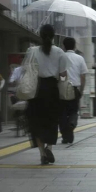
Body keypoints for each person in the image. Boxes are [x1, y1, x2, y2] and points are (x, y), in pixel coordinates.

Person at [25, 24, 68, 164]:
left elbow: (28, 70)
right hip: (52, 90)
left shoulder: (32, 51)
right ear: (54, 36)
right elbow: (63, 75)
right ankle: (49, 147)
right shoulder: (60, 52)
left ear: (40, 35)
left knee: (36, 122)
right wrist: (61, 79)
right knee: (51, 120)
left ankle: (42, 153)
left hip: (37, 90)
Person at [60, 37, 88, 144]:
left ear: (63, 46)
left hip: (62, 89)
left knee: (62, 113)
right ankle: (72, 123)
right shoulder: (80, 58)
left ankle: (65, 136)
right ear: (75, 46)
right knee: (73, 111)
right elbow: (83, 76)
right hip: (75, 89)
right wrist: (81, 90)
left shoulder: (60, 57)